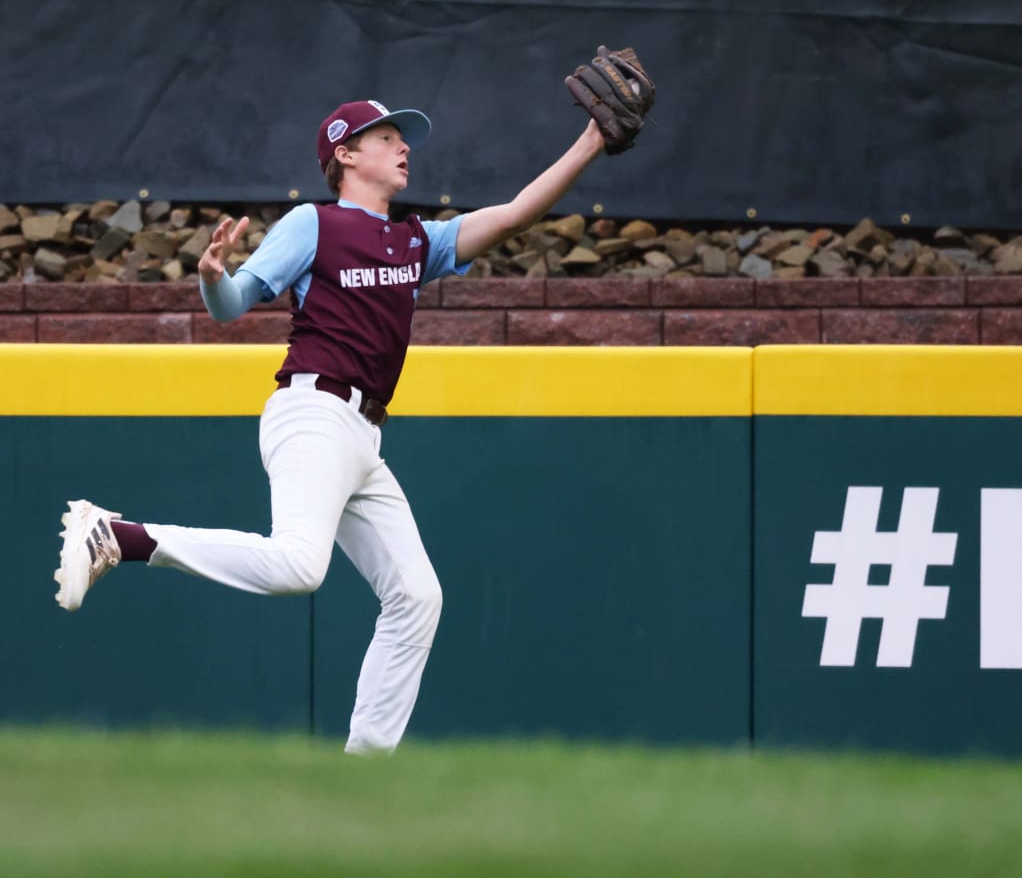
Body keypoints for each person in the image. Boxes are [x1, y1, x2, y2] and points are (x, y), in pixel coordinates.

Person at [54, 98, 608, 754]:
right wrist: (212, 279)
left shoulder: (415, 241)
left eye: (405, 139)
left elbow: (517, 212)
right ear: (344, 154)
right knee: (298, 566)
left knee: (417, 598)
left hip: (362, 438)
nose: (405, 147)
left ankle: (365, 769)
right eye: (388, 137)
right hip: (311, 412)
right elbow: (232, 308)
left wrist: (593, 140)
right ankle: (117, 535)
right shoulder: (312, 223)